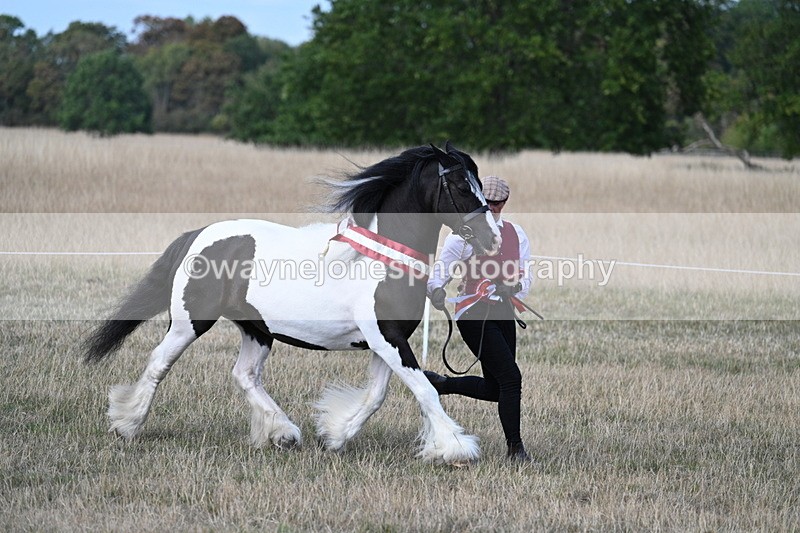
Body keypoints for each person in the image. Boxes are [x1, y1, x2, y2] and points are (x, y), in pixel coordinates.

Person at [426, 175, 535, 463]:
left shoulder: (516, 233)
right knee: (512, 377)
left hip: (503, 312)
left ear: (505, 203)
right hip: (472, 312)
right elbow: (440, 272)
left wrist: (514, 287)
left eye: (497, 203)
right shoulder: (461, 236)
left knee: (497, 388)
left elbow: (527, 275)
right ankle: (515, 449)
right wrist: (435, 290)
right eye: (487, 202)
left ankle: (443, 384)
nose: (492, 207)